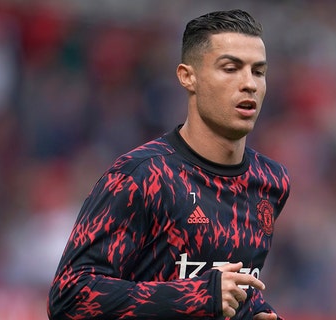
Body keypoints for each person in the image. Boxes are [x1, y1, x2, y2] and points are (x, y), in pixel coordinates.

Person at [47, 9, 290, 320]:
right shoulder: (142, 176)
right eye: (230, 68)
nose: (249, 84)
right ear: (188, 77)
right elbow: (70, 297)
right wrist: (201, 295)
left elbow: (232, 295)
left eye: (258, 71)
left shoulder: (270, 182)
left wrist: (255, 313)